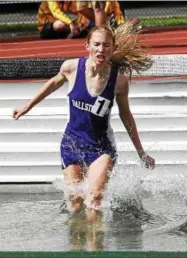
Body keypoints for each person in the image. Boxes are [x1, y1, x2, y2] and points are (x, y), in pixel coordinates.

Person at [13, 21, 155, 223]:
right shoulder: (71, 68)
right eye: (96, 44)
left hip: (101, 148)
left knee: (94, 200)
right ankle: (76, 249)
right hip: (72, 143)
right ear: (87, 46)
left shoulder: (119, 81)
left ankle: (96, 249)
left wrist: (141, 152)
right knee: (75, 204)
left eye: (106, 45)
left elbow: (126, 116)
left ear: (113, 48)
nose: (101, 49)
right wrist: (27, 106)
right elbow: (53, 83)